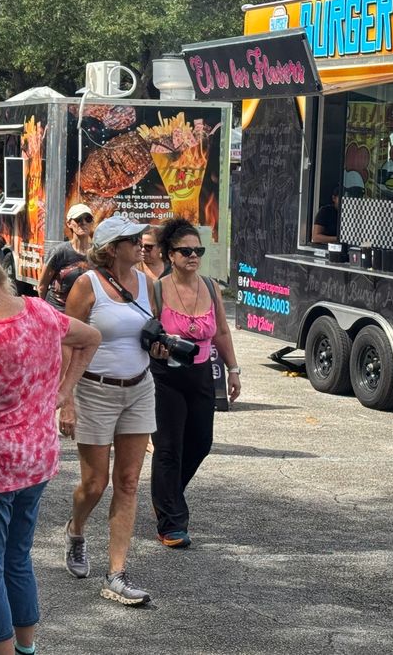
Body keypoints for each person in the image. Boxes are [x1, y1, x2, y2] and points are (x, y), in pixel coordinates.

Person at [0, 246, 102, 655]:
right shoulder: (39, 311)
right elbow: (90, 337)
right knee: (18, 558)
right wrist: (64, 391)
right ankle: (27, 648)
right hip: (37, 457)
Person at [62, 214, 155, 606]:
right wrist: (65, 400)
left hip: (140, 388)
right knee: (95, 483)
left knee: (130, 481)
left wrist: (162, 346)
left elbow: (152, 332)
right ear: (112, 248)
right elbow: (66, 341)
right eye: (132, 239)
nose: (141, 244)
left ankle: (116, 573)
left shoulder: (149, 283)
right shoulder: (87, 285)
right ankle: (76, 529)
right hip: (94, 392)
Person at [149, 219, 241, 548]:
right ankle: (171, 522)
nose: (193, 256)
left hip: (201, 373)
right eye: (185, 251)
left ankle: (166, 494)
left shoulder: (211, 286)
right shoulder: (157, 289)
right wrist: (154, 346)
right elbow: (145, 332)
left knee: (201, 442)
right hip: (165, 376)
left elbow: (221, 332)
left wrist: (233, 369)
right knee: (169, 448)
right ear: (169, 255)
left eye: (197, 250)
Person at [37, 203, 94, 311]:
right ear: (69, 224)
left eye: (88, 219)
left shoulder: (97, 254)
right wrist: (45, 312)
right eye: (78, 219)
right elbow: (42, 286)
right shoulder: (59, 252)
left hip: (84, 313)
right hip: (59, 312)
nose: (83, 223)